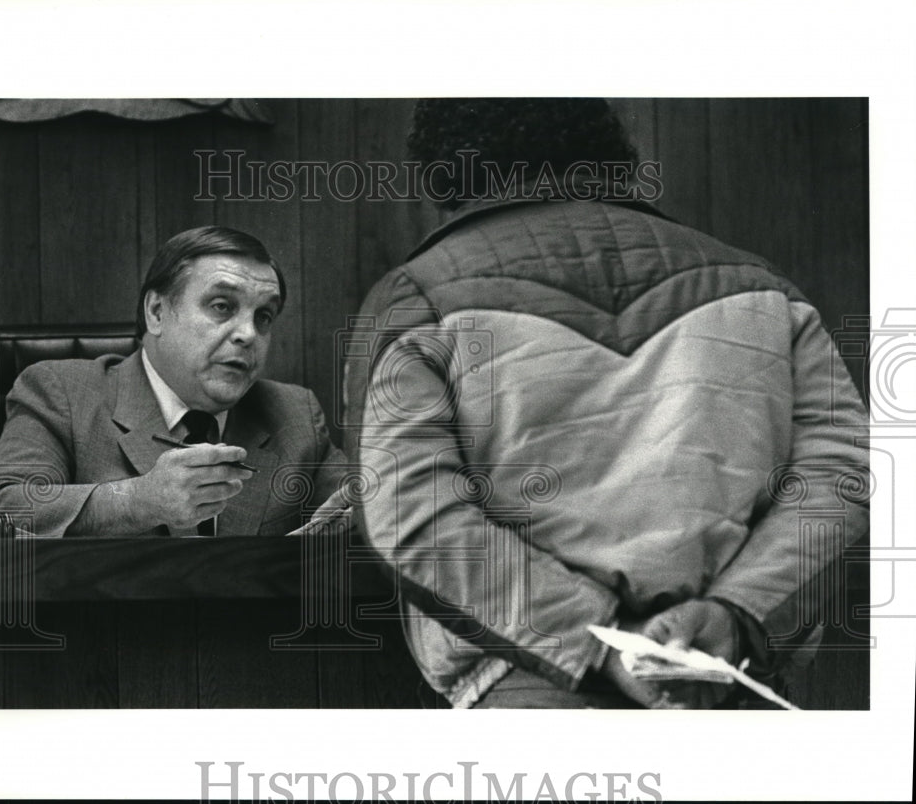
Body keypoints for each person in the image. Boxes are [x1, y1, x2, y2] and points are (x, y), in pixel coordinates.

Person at [344, 99, 870, 709]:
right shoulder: (768, 292)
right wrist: (736, 611)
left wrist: (599, 646)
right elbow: (842, 470)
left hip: (532, 699)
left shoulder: (414, 300)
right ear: (613, 157)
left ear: (442, 170)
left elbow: (413, 518)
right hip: (731, 691)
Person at [0, 225, 347, 537]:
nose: (248, 334)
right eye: (222, 306)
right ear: (156, 312)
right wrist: (140, 500)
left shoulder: (294, 413)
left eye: (264, 316)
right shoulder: (62, 393)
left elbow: (362, 503)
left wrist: (366, 515)